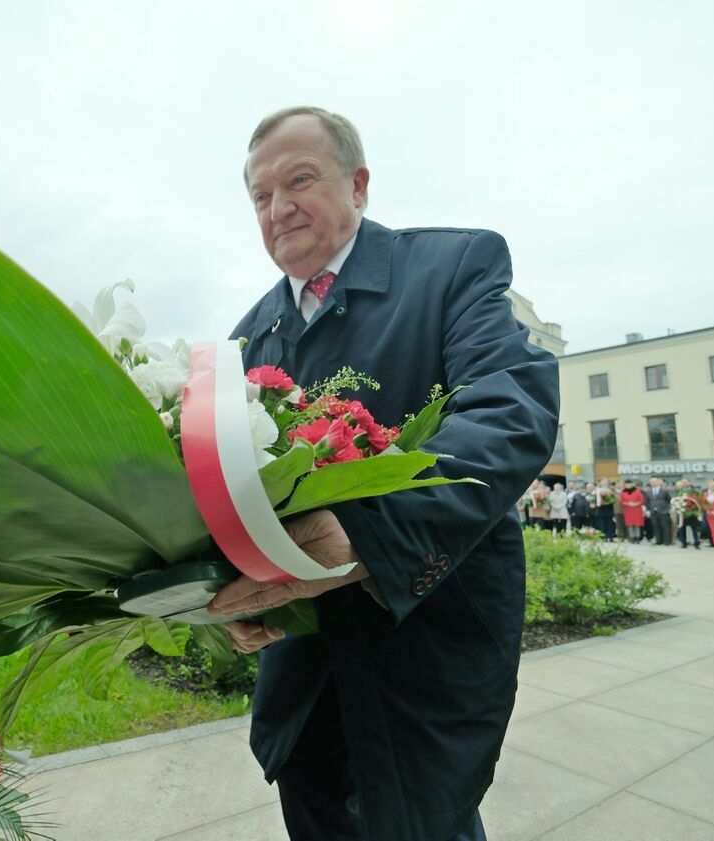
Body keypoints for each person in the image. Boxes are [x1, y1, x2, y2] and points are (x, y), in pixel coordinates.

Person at [206, 107, 559, 841]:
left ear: (358, 185)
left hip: (423, 639)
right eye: (261, 196)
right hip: (305, 668)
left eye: (299, 180)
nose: (279, 209)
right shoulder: (246, 338)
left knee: (423, 820)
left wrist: (364, 535)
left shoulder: (451, 268)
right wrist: (228, 594)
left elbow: (509, 411)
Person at [645, 477, 672, 545]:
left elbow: (669, 500)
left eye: (655, 482)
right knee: (656, 526)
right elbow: (647, 502)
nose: (653, 483)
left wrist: (669, 509)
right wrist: (648, 510)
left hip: (664, 511)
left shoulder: (664, 491)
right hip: (653, 511)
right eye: (652, 482)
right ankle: (658, 540)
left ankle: (667, 541)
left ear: (658, 482)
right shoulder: (648, 492)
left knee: (665, 526)